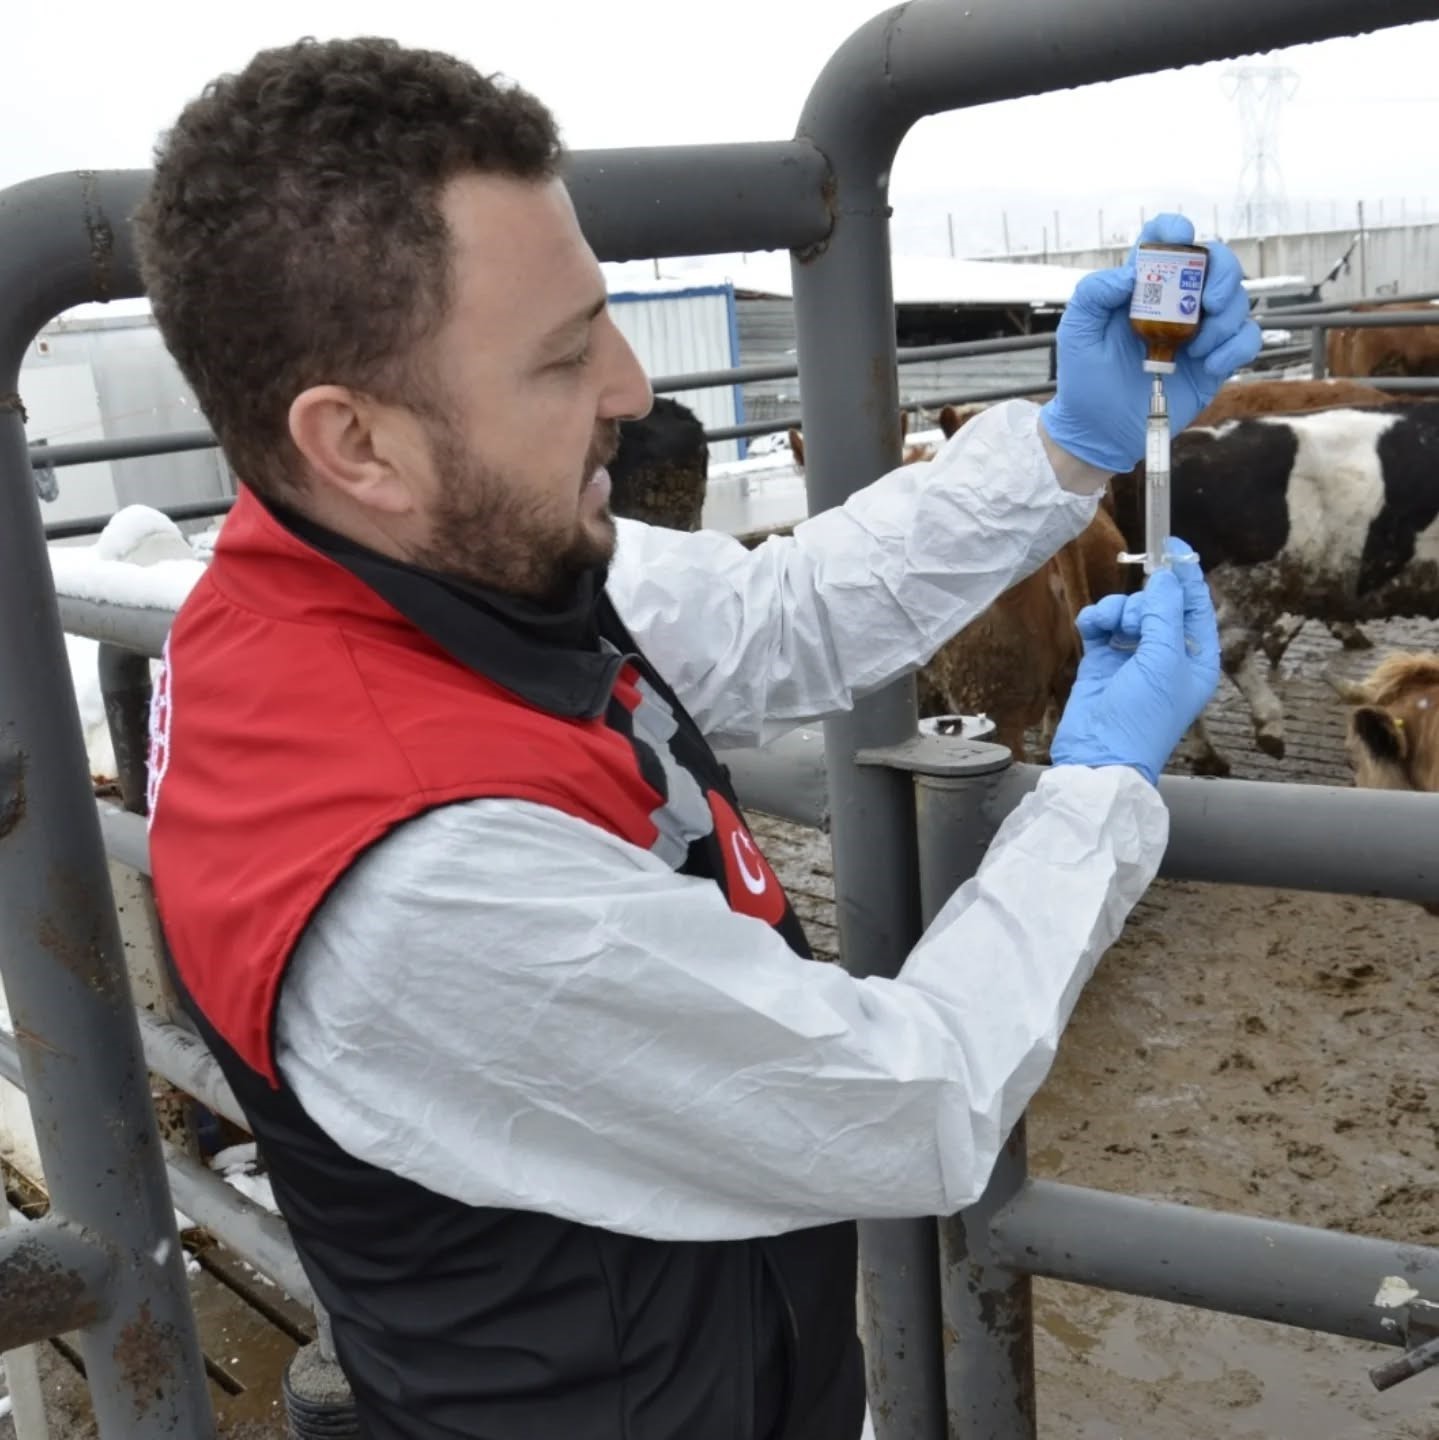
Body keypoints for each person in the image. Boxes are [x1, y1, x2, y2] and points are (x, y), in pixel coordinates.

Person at [134, 36, 1261, 1440]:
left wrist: (1069, 445)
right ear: (356, 442)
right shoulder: (428, 884)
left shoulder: (392, 567)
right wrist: (1092, 794)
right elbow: (911, 1102)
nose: (628, 386)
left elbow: (774, 614)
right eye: (562, 358)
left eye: (600, 317)